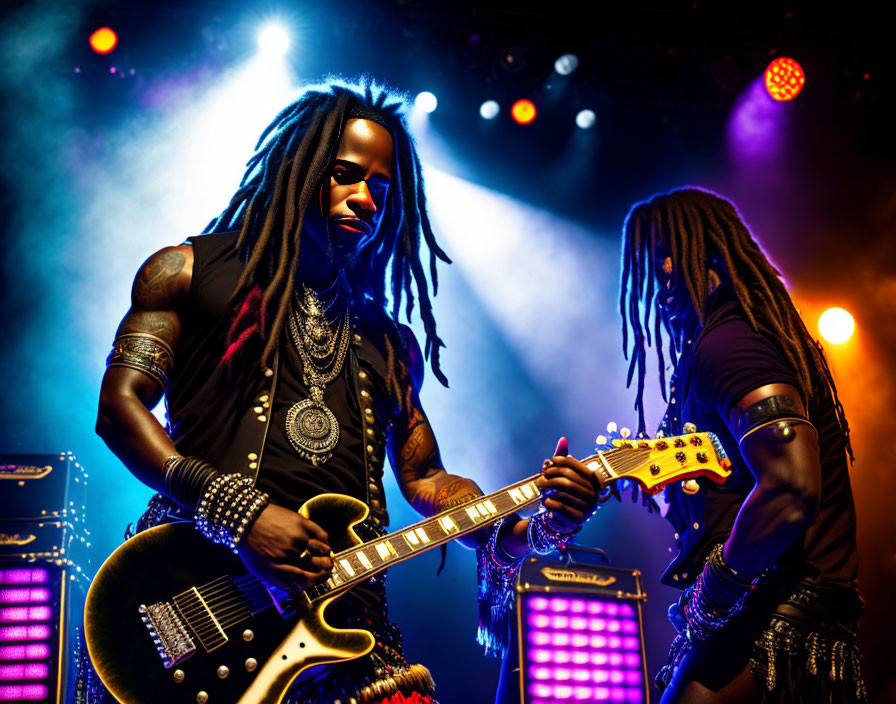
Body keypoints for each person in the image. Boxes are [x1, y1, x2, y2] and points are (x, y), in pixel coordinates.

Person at [94, 80, 601, 704]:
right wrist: (241, 516)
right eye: (345, 175)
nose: (366, 199)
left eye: (383, 190)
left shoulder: (388, 343)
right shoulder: (185, 271)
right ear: (296, 169)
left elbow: (427, 480)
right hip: (196, 594)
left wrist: (531, 527)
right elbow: (119, 408)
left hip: (346, 629)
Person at [615, 187, 866, 703]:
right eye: (650, 263)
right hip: (778, 627)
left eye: (668, 255)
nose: (660, 278)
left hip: (773, 628)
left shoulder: (732, 343)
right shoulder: (739, 339)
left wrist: (714, 592)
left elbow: (792, 489)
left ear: (709, 253)